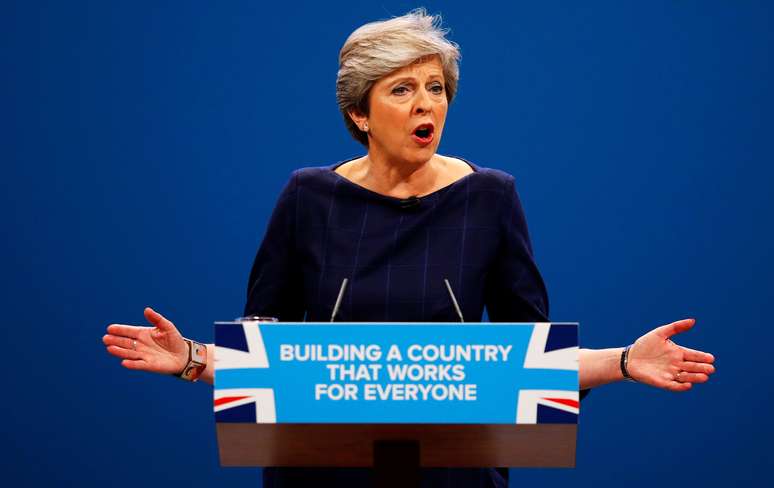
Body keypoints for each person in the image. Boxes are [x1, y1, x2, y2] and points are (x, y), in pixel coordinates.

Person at [102, 9, 716, 488]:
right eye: (402, 90)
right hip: (321, 478)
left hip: (454, 476)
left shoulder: (490, 198)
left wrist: (625, 362)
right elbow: (266, 353)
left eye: (435, 87)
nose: (427, 104)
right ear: (359, 113)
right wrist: (189, 358)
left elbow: (530, 360)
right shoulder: (308, 198)